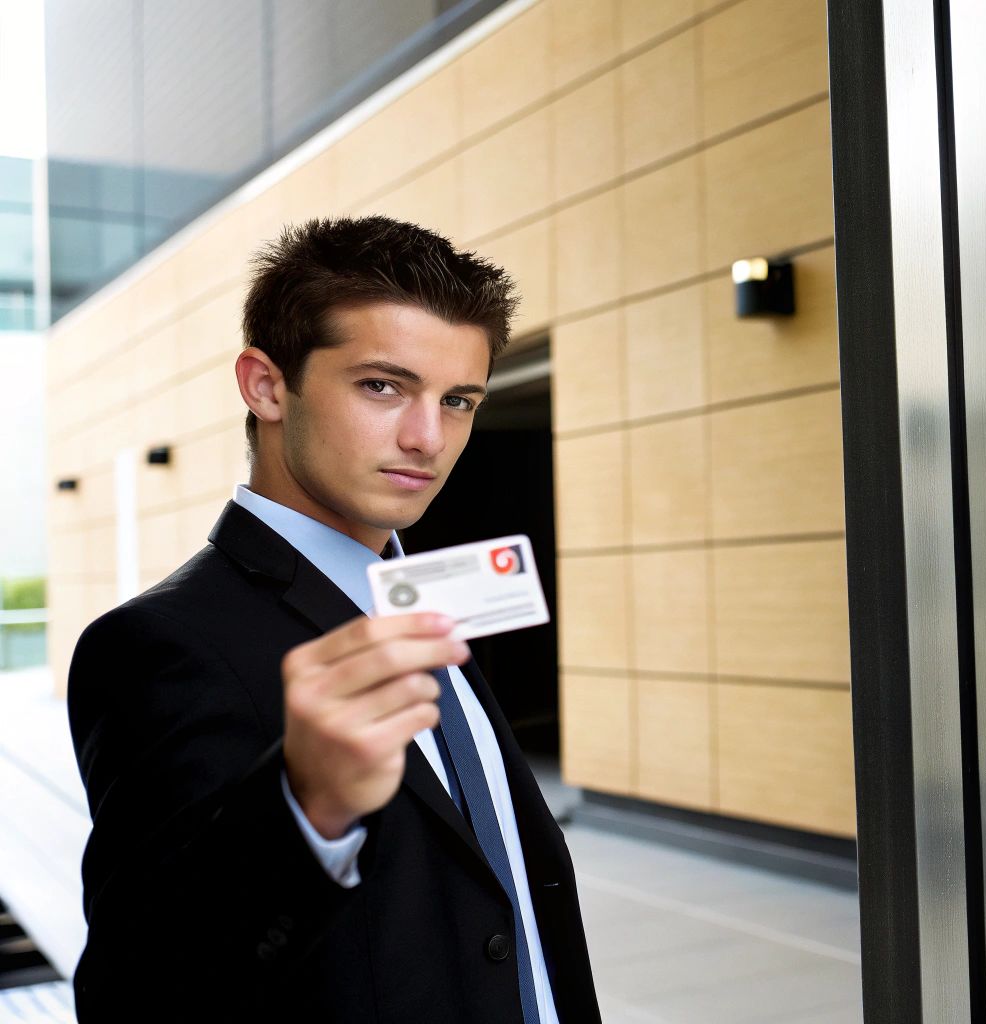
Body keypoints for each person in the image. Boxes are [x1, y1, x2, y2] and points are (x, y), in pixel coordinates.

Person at [65, 216, 601, 1023]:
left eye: (457, 400)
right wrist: (304, 809)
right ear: (266, 385)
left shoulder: (420, 597)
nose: (428, 439)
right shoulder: (158, 644)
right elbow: (136, 996)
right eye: (382, 386)